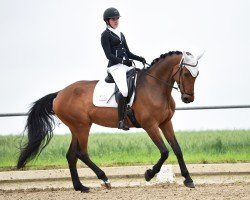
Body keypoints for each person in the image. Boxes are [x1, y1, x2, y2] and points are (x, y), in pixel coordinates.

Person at [101, 7, 146, 131]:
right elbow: (108, 55)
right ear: (107, 21)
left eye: (117, 19)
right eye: (113, 19)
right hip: (115, 67)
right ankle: (121, 121)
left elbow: (128, 52)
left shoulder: (120, 34)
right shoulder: (105, 35)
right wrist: (122, 61)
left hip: (125, 66)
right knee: (124, 91)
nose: (116, 21)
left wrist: (138, 58)